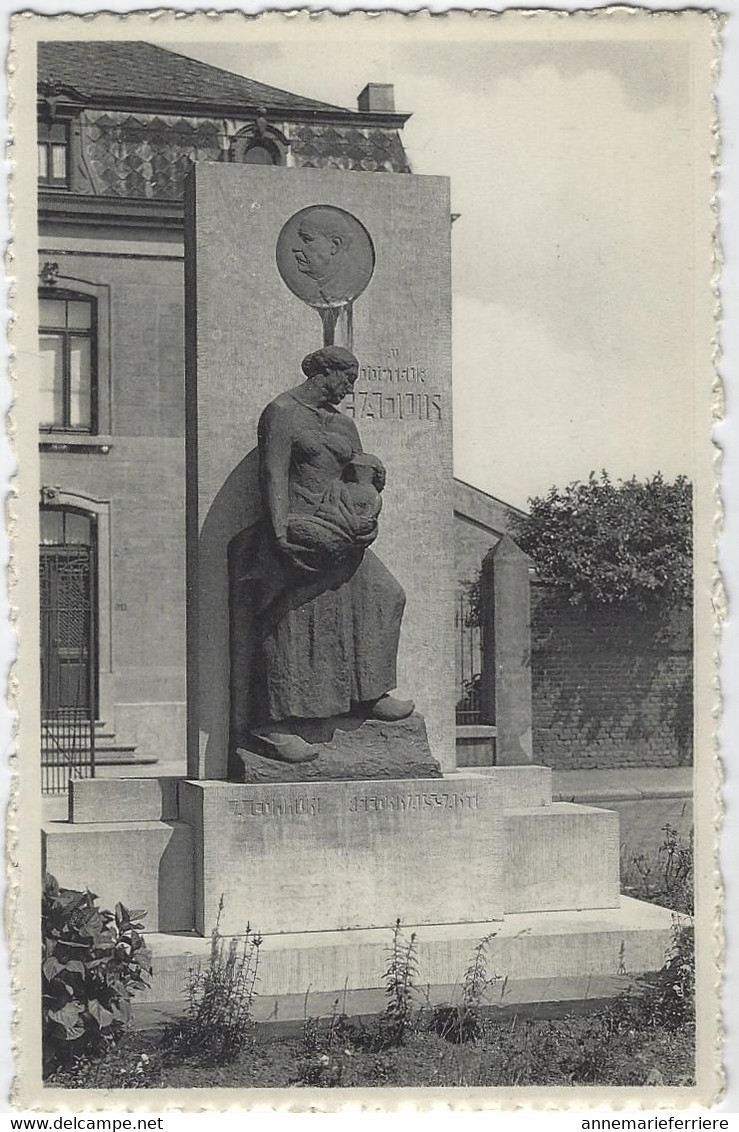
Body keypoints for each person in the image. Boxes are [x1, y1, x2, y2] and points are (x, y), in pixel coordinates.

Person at [229, 345, 414, 765]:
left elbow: (360, 477)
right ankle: (274, 725)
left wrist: (367, 519)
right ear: (323, 373)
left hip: (343, 530)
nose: (348, 390)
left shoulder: (345, 425)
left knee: (387, 595)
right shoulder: (282, 412)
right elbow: (272, 472)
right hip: (298, 525)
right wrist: (279, 534)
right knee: (296, 618)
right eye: (345, 379)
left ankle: (369, 695)